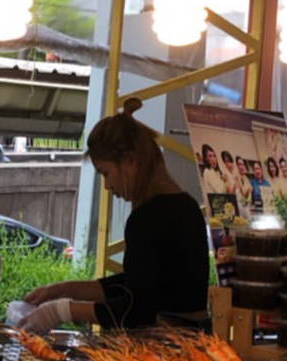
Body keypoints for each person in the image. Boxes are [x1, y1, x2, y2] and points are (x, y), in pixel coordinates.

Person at [20, 98, 210, 331]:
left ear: (130, 162)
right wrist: (60, 290)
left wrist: (62, 310)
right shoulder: (187, 205)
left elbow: (137, 310)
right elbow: (136, 285)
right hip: (199, 338)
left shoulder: (146, 219)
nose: (107, 186)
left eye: (106, 173)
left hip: (168, 344)